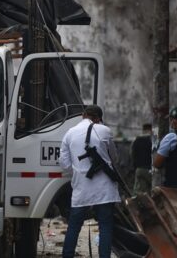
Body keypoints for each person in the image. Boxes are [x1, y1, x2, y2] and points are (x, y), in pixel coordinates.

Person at [60, 105, 120, 258]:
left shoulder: (69, 133)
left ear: (83, 115)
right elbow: (114, 159)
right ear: (98, 118)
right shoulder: (104, 131)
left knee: (74, 226)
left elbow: (65, 164)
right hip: (104, 189)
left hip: (81, 189)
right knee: (105, 226)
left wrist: (79, 171)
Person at [130, 123, 153, 194]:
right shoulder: (152, 140)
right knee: (152, 193)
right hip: (151, 170)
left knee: (140, 194)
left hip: (139, 169)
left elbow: (131, 154)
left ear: (143, 130)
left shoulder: (136, 140)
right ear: (150, 130)